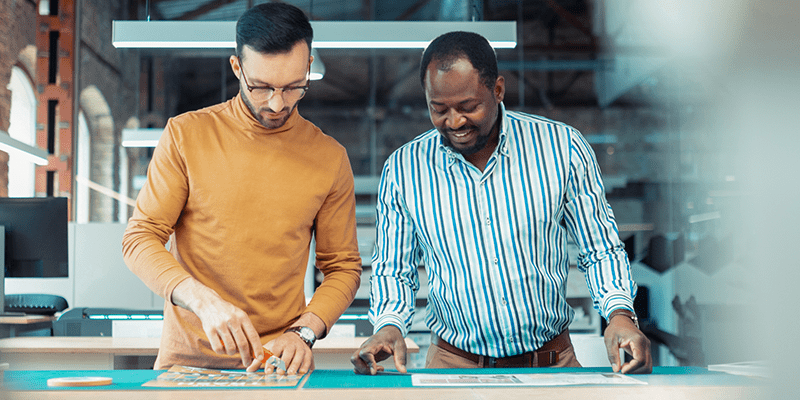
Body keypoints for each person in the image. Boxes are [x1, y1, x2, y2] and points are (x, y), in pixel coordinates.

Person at [352, 31, 651, 375]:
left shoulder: (563, 148)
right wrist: (389, 326)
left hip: (551, 363)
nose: (454, 122)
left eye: (468, 107)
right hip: (453, 366)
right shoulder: (405, 169)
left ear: (497, 90)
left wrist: (620, 316)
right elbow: (393, 268)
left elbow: (600, 248)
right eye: (438, 109)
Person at [122, 3, 361, 375]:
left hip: (277, 365)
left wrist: (305, 332)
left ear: (309, 67)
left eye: (294, 87)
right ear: (237, 67)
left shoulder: (329, 157)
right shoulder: (186, 135)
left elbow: (343, 268)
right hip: (188, 363)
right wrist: (201, 299)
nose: (277, 103)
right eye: (262, 86)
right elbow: (140, 239)